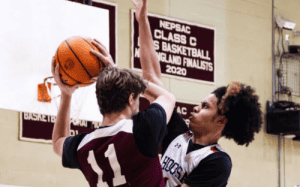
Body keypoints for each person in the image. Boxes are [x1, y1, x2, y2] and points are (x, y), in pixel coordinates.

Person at [133, 0, 263, 186]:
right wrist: (142, 21)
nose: (195, 108)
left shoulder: (217, 162)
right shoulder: (179, 133)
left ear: (221, 120)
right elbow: (152, 79)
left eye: (204, 106)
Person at [51, 39, 176, 186]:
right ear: (131, 99)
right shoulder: (143, 129)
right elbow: (167, 97)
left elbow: (58, 141)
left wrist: (66, 94)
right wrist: (118, 71)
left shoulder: (83, 146)